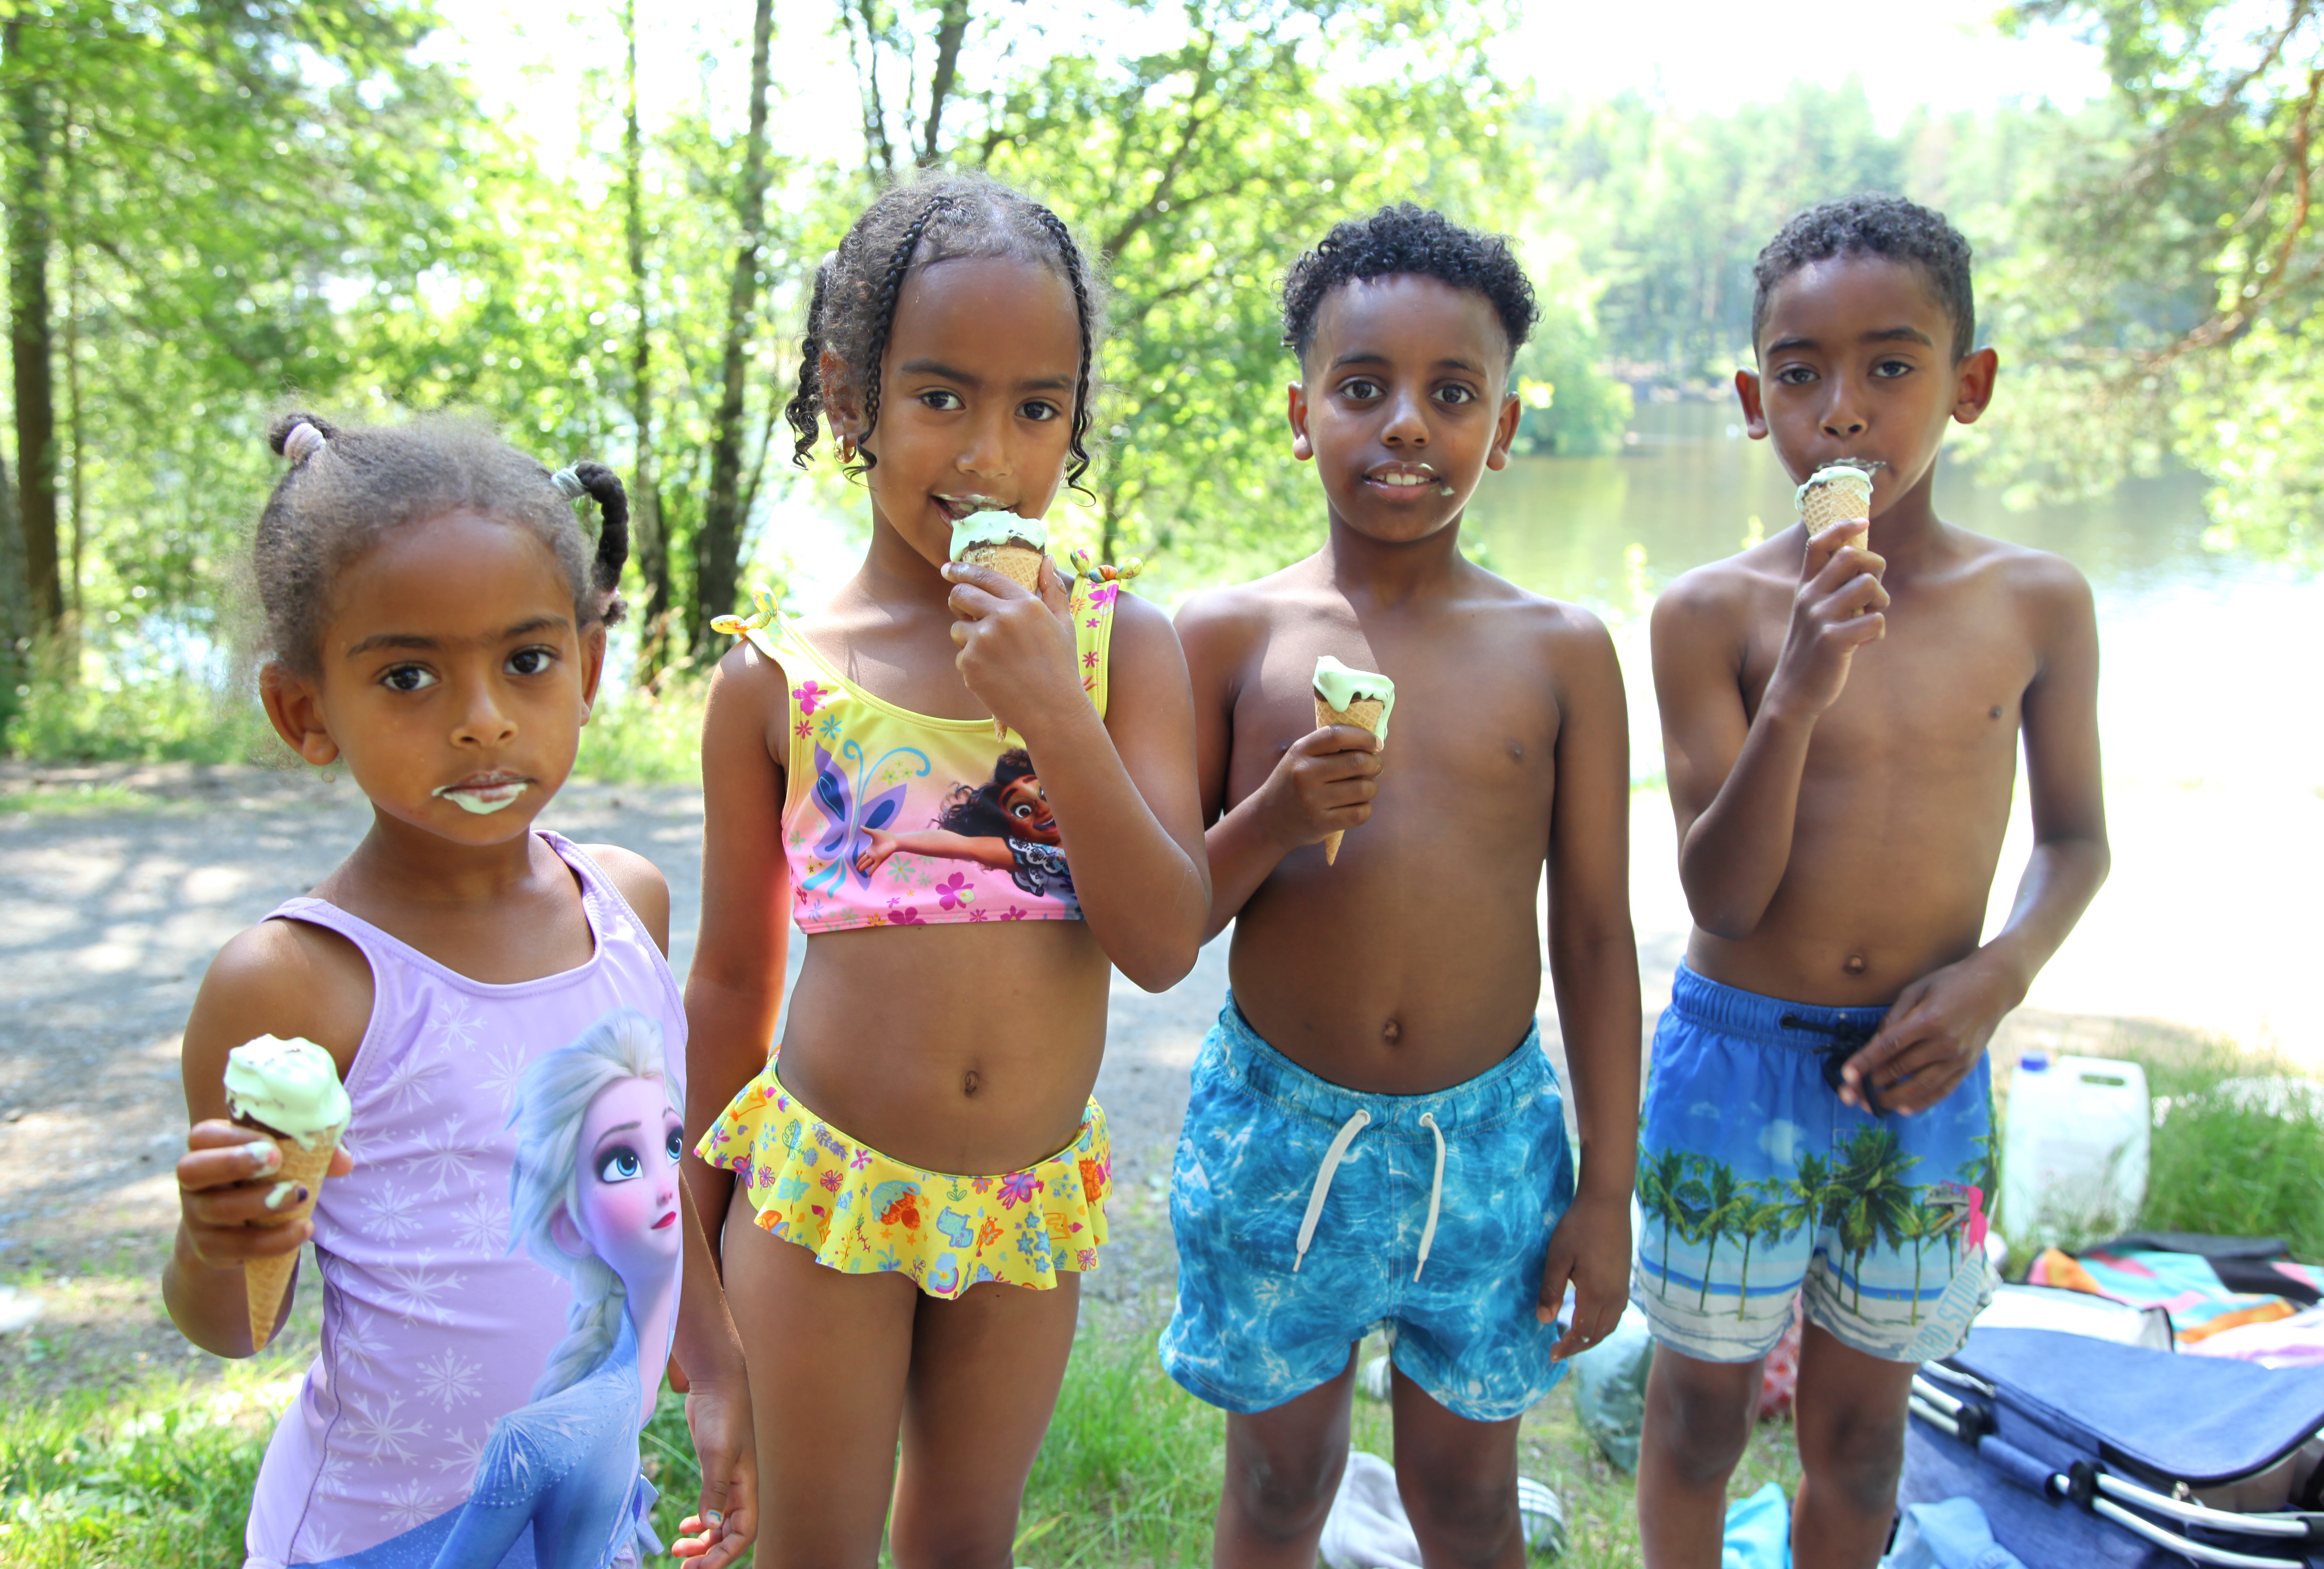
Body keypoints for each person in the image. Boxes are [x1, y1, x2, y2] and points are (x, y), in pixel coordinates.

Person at [686, 173, 1207, 1565]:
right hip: (826, 1196)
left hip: (1024, 1199)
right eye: (940, 397)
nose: (989, 453)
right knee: (818, 1546)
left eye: (1038, 408)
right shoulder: (776, 680)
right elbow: (731, 987)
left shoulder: (1120, 650)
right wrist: (692, 1280)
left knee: (967, 1540)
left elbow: (1164, 938)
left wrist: (1051, 710)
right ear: (849, 394)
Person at [161, 414, 755, 1569]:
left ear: (587, 665)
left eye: (526, 661)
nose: (480, 715)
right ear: (305, 712)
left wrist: (718, 1371)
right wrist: (216, 1242)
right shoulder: (293, 980)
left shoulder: (628, 905)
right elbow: (236, 1325)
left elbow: (655, 1174)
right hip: (381, 1536)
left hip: (586, 1503)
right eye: (408, 675)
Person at [1162, 204, 1642, 1568]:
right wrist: (1274, 811)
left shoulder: (1560, 652)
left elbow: (1598, 934)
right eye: (1363, 387)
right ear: (1300, 411)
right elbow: (1165, 915)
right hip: (1277, 1136)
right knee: (1275, 1485)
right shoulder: (1228, 636)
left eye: (1452, 394)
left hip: (1487, 1148)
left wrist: (1607, 1186)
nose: (1407, 426)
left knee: (1470, 1496)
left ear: (1500, 425)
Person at [1634, 193, 2108, 1569]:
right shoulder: (1709, 614)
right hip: (1738, 1065)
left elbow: (2077, 839)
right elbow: (1723, 896)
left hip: (1926, 1066)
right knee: (1696, 1423)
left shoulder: (2038, 604)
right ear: (1750, 397)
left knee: (1858, 1438)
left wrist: (1997, 978)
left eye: (1891, 367)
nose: (1842, 411)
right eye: (1799, 372)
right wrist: (1797, 689)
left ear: (1971, 385)